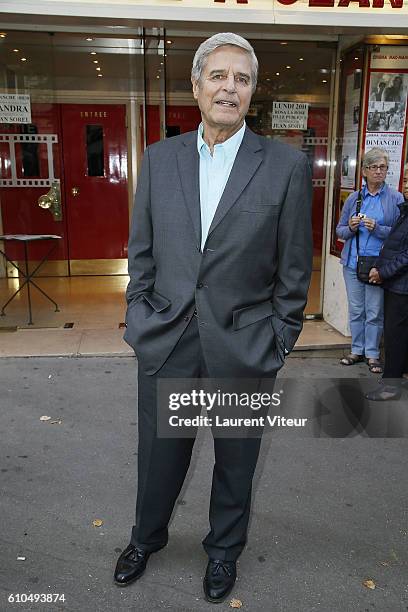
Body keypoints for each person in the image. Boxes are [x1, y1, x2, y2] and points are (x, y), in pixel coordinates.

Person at [114, 32, 312, 603]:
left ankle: (223, 553)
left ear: (252, 93)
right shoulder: (160, 158)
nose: (230, 88)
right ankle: (144, 539)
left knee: (236, 461)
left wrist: (279, 338)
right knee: (159, 455)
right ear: (196, 86)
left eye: (242, 79)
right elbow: (142, 250)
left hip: (244, 345)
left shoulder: (285, 166)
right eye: (219, 76)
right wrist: (139, 315)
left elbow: (294, 269)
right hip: (168, 339)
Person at [336, 148, 402, 373]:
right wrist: (351, 228)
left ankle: (372, 354)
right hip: (352, 263)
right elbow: (340, 231)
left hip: (378, 266)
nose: (378, 171)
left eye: (382, 167)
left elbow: (399, 235)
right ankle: (357, 350)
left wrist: (377, 228)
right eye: (373, 167)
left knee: (374, 311)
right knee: (356, 310)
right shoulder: (355, 198)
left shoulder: (395, 198)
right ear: (364, 171)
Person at [366, 163, 408, 400]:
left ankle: (391, 386)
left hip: (401, 286)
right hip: (398, 284)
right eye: (406, 180)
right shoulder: (405, 209)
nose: (407, 185)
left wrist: (383, 272)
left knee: (394, 335)